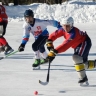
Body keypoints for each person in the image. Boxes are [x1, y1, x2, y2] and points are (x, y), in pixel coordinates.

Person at [46, 16, 96, 85]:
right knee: (84, 64)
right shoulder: (62, 29)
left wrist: (54, 52)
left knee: (76, 58)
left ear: (71, 25)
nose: (66, 28)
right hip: (77, 44)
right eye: (64, 26)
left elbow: (65, 45)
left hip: (84, 42)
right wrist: (49, 42)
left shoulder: (73, 34)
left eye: (67, 26)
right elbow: (54, 35)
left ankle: (83, 78)